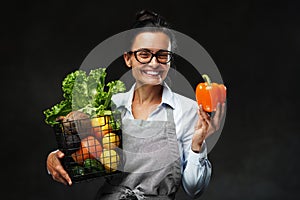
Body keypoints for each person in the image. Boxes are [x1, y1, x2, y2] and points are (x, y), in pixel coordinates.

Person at [46, 9, 226, 200]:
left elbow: (194, 189)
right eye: (144, 54)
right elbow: (85, 151)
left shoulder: (188, 110)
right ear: (128, 58)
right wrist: (54, 159)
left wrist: (198, 144)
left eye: (162, 55)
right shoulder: (111, 106)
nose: (154, 63)